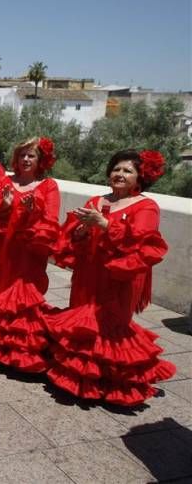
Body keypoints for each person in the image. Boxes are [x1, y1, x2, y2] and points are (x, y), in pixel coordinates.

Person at [45, 149, 175, 405]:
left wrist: (104, 224)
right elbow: (75, 242)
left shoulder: (146, 207)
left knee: (109, 327)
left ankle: (111, 383)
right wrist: (81, 233)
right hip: (89, 274)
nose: (120, 174)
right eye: (116, 169)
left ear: (140, 178)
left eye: (127, 171)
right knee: (82, 322)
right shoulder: (96, 200)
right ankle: (80, 377)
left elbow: (142, 244)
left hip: (118, 278)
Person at [0, 137, 61, 372]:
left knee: (25, 293)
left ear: (40, 160)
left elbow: (51, 220)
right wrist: (4, 206)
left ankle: (23, 350)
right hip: (4, 248)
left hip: (29, 249)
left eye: (31, 155)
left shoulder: (48, 186)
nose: (25, 159)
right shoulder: (5, 181)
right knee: (2, 290)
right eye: (22, 154)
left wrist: (33, 213)